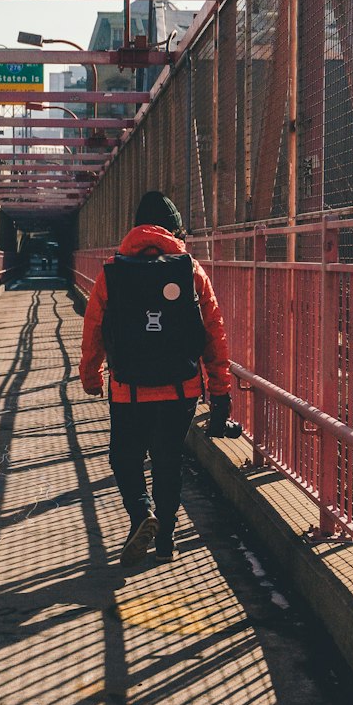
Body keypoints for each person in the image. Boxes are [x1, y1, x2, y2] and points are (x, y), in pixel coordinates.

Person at [79, 190, 232, 566]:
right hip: (181, 386)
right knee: (168, 459)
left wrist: (91, 375)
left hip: (128, 387)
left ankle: (140, 512)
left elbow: (94, 327)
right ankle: (165, 538)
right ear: (174, 230)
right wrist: (220, 391)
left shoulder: (111, 270)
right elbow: (213, 330)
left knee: (123, 457)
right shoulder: (191, 269)